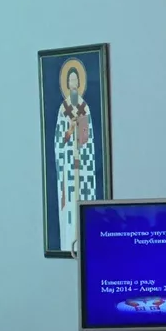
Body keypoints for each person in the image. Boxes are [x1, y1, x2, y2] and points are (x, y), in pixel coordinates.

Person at [52, 55, 98, 254]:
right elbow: (59, 140)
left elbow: (87, 139)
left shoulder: (83, 107)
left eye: (75, 80)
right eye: (69, 80)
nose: (72, 83)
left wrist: (80, 130)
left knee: (82, 205)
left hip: (82, 167)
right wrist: (70, 130)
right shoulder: (63, 109)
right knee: (69, 209)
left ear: (79, 83)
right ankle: (67, 244)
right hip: (68, 169)